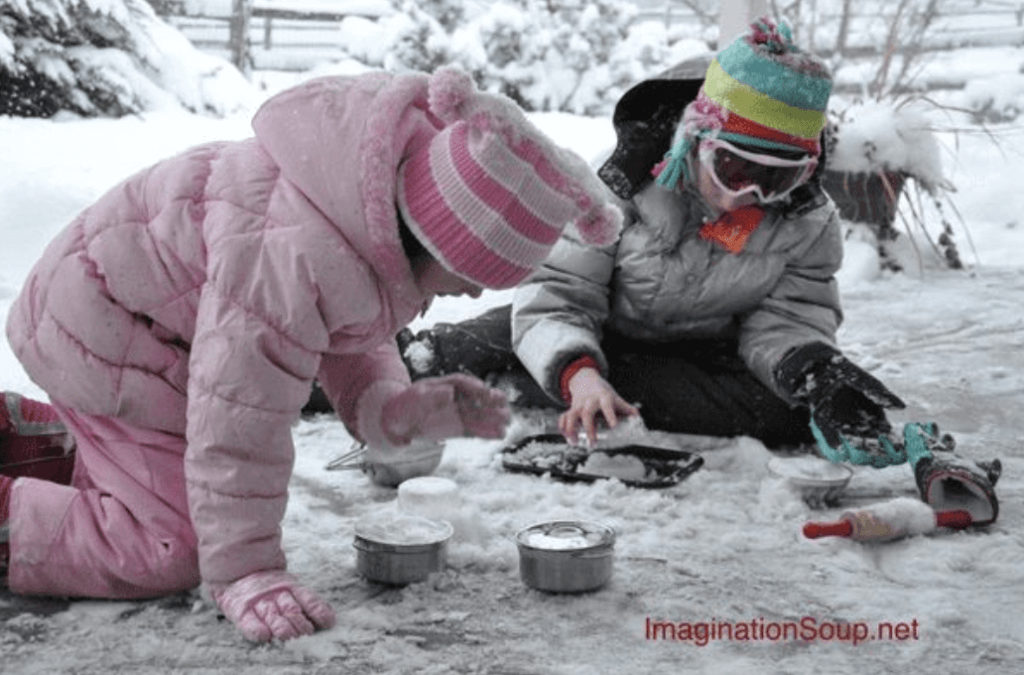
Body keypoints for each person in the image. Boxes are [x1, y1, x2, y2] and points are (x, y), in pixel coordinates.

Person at [0, 65, 621, 642]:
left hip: (128, 330)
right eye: (472, 275)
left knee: (169, 479)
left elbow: (353, 331)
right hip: (101, 339)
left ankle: (28, 438)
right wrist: (245, 571)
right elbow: (237, 419)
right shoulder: (289, 257)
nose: (474, 293)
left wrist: (392, 410)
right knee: (171, 546)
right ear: (436, 241)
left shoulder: (358, 219)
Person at [395, 18, 908, 455]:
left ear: (806, 172)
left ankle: (555, 385)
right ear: (695, 140)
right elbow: (558, 294)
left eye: (775, 179)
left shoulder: (805, 224)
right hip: (593, 328)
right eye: (731, 168)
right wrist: (580, 374)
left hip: (702, 355)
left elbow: (789, 320)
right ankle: (392, 366)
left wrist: (812, 374)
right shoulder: (623, 185)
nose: (745, 195)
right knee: (455, 353)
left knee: (786, 413)